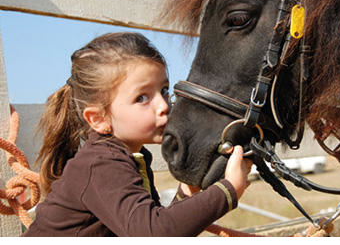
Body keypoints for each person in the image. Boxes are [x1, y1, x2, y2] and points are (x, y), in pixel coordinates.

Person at [22, 31, 252, 237]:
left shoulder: (130, 157)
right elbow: (152, 232)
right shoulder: (101, 164)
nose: (163, 105)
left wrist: (185, 195)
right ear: (98, 119)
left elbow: (147, 223)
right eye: (141, 98)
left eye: (163, 91)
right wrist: (228, 190)